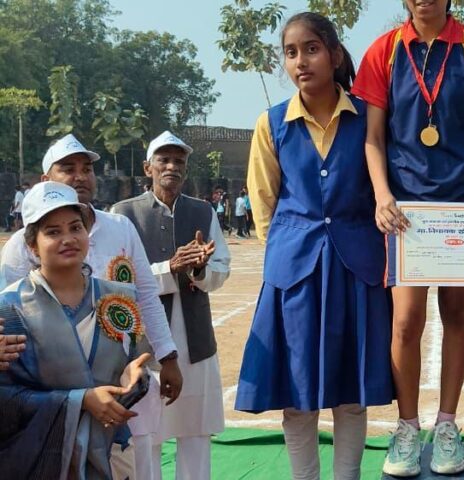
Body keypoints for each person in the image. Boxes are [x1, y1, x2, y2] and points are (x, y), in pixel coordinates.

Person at [352, 0, 464, 474]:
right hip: (408, 208)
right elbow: (373, 137)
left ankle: (447, 424)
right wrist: (382, 195)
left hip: (462, 202)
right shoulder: (384, 50)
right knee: (405, 321)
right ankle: (407, 426)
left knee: (456, 312)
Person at [236, 13, 393, 479]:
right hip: (294, 277)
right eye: (290, 53)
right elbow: (263, 200)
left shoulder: (369, 117)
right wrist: (288, 250)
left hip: (358, 269)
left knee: (352, 393)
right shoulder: (272, 124)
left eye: (311, 49)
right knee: (297, 393)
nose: (300, 61)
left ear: (335, 54)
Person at [0, 181, 151, 479]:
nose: (68, 239)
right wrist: (81, 400)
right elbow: (6, 398)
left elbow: (135, 360)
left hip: (112, 447)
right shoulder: (10, 308)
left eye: (75, 227)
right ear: (32, 245)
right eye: (53, 232)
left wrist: (134, 377)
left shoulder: (118, 297)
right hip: (39, 457)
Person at [112, 131, 231, 480]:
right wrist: (169, 268)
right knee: (145, 433)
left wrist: (198, 270)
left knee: (195, 431)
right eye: (163, 160)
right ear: (147, 167)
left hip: (196, 340)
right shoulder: (123, 215)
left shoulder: (203, 211)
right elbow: (118, 281)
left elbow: (221, 269)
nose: (171, 167)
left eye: (179, 161)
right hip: (144, 343)